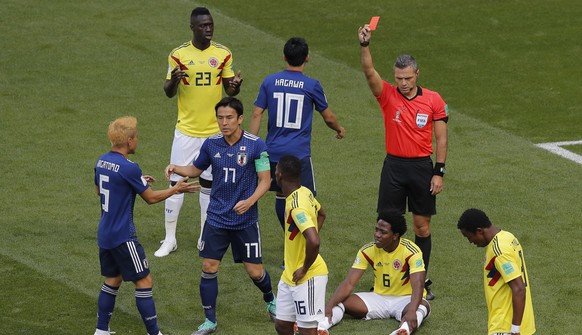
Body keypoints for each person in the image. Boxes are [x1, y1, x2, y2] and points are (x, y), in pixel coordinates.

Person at [165, 97, 276, 335]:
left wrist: (249, 201)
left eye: (229, 118)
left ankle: (270, 299)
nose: (224, 123)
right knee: (209, 266)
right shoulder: (210, 144)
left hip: (245, 220)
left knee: (255, 271)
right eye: (220, 118)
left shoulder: (256, 145)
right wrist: (175, 167)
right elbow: (195, 169)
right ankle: (210, 321)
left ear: (240, 119)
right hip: (216, 218)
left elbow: (265, 181)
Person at [358, 24, 449, 299]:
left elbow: (441, 140)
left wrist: (438, 172)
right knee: (386, 225)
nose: (404, 83)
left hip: (422, 168)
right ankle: (384, 281)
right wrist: (364, 45)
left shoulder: (433, 100)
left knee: (421, 227)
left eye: (408, 77)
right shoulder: (387, 95)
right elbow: (368, 71)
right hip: (394, 168)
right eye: (399, 78)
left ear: (417, 74)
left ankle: (419, 283)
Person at [93, 116, 198, 335]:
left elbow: (101, 190)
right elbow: (150, 199)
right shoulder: (129, 168)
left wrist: (135, 182)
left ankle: (101, 331)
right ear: (129, 140)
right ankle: (154, 333)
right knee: (144, 280)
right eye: (136, 137)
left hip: (105, 233)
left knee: (113, 279)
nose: (137, 140)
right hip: (123, 236)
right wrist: (175, 189)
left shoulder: (101, 161)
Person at [156, 6, 243, 257]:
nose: (209, 29)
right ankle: (169, 238)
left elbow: (230, 90)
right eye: (203, 25)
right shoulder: (179, 55)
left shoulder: (223, 54)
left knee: (209, 185)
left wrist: (235, 86)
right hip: (186, 131)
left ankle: (204, 237)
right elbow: (168, 91)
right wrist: (174, 79)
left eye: (211, 24)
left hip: (214, 133)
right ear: (193, 27)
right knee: (176, 183)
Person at [249, 37, 345, 250]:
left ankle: (289, 242)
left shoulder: (270, 81)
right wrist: (339, 129)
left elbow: (257, 113)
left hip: (272, 153)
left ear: (284, 57)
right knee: (307, 199)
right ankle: (298, 246)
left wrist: (250, 143)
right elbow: (328, 117)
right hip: (298, 156)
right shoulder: (311, 85)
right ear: (307, 57)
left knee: (281, 195)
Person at [322, 212, 430, 335]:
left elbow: (418, 284)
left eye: (383, 232)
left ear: (395, 235)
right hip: (378, 298)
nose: (377, 235)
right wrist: (329, 305)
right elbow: (349, 283)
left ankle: (403, 330)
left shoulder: (411, 251)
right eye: (376, 230)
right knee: (340, 301)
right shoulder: (367, 250)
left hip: (405, 299)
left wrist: (411, 310)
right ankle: (322, 326)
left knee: (422, 306)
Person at [273, 155, 329, 335]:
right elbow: (322, 214)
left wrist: (304, 268)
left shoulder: (296, 206)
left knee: (307, 331)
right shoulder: (305, 191)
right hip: (289, 273)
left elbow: (314, 241)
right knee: (282, 324)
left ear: (279, 174)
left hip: (308, 276)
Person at [457, 208, 536, 335]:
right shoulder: (508, 237)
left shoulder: (499, 251)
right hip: (519, 323)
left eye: (469, 237)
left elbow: (519, 288)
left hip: (506, 325)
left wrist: (515, 329)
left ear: (479, 231)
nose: (470, 241)